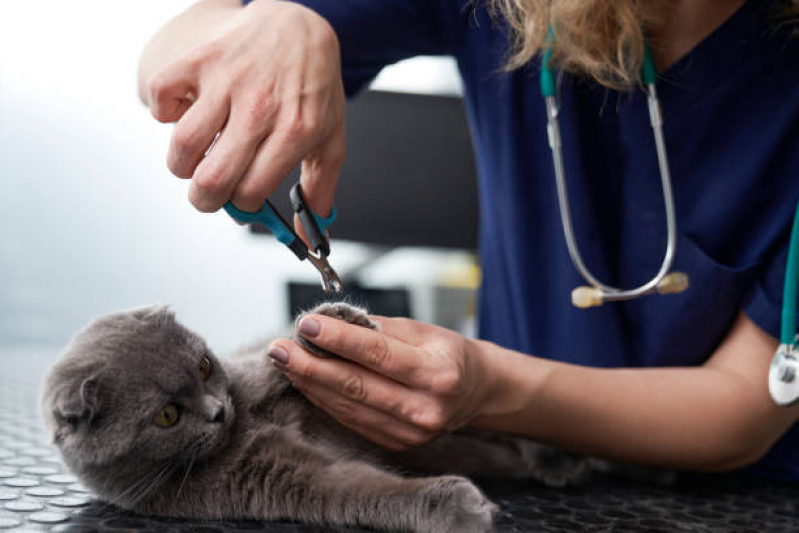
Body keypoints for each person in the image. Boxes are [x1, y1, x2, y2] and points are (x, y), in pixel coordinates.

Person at [138, 0, 799, 480]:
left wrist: (487, 387)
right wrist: (280, 25)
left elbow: (750, 402)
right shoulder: (505, 7)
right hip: (521, 481)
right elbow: (169, 57)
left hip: (747, 497)